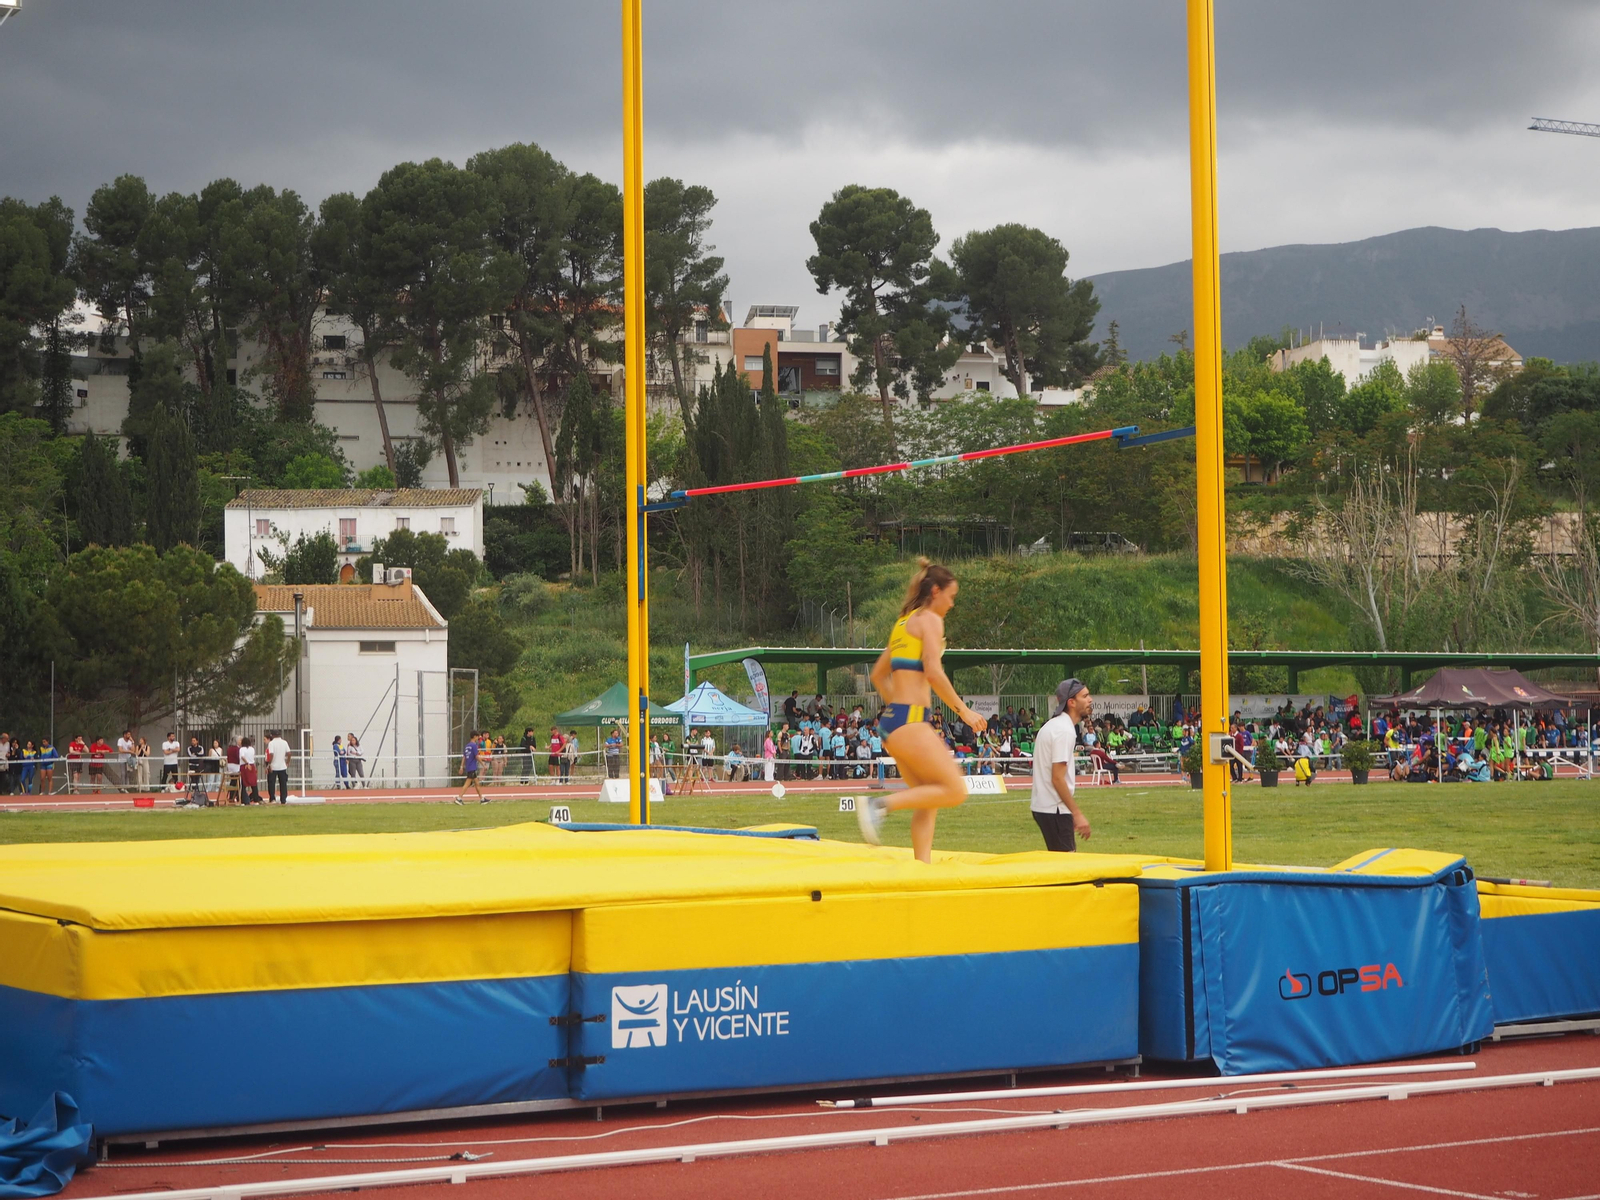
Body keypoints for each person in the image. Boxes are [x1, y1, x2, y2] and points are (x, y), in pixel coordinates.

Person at [857, 560, 988, 864]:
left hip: (893, 722)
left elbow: (878, 675)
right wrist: (964, 711)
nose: (952, 604)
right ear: (936, 591)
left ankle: (922, 866)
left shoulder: (903, 622)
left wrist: (897, 710)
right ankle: (879, 805)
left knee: (929, 799)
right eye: (951, 597)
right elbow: (933, 672)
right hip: (911, 720)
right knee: (955, 790)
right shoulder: (929, 620)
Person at [1031, 679, 1094, 852]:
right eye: (1085, 696)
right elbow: (1057, 778)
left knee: (1059, 864)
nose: (1090, 700)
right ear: (1071, 702)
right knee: (1067, 867)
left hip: (1049, 807)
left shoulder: (1055, 726)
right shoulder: (1063, 730)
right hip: (1055, 808)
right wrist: (1077, 814)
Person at [454, 731, 487, 804]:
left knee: (477, 783)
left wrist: (461, 767)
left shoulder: (467, 746)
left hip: (469, 766)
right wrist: (483, 765)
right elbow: (476, 756)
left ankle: (482, 799)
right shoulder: (474, 745)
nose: (478, 738)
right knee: (467, 783)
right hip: (472, 766)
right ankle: (459, 798)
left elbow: (464, 757)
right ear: (475, 736)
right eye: (477, 737)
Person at [265, 730, 291, 804]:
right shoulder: (284, 742)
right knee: (283, 783)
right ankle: (283, 799)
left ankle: (272, 799)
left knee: (271, 783)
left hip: (273, 766)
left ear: (272, 735)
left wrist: (269, 764)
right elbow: (289, 753)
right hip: (282, 766)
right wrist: (287, 762)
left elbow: (271, 754)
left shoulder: (271, 743)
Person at [239, 736, 260, 804]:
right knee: (253, 783)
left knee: (244, 784)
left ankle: (243, 801)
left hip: (244, 766)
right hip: (252, 765)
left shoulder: (242, 749)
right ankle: (256, 799)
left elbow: (242, 756)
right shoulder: (252, 749)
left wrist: (246, 763)